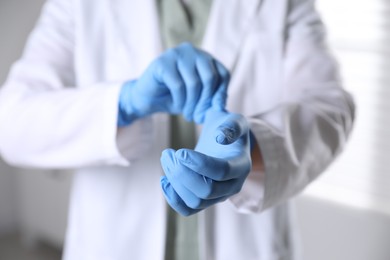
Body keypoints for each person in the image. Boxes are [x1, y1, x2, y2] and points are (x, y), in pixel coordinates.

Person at [0, 0, 355, 259]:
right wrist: (124, 103)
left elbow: (330, 106)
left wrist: (255, 147)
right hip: (111, 243)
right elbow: (11, 122)